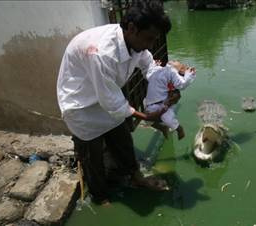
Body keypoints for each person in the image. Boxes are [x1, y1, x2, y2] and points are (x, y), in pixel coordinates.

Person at [56, 0, 171, 205]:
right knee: (93, 156)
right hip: (81, 105)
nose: (150, 45)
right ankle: (99, 196)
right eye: (149, 39)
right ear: (132, 28)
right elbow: (111, 101)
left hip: (105, 96)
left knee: (123, 140)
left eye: (154, 40)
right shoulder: (101, 52)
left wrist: (168, 83)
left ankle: (136, 178)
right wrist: (145, 116)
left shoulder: (136, 42)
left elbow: (149, 66)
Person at [144, 60, 196, 139]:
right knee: (148, 120)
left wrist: (154, 65)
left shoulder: (158, 70)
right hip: (153, 103)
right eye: (181, 67)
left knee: (168, 119)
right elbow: (182, 84)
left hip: (161, 103)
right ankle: (164, 128)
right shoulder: (172, 71)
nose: (182, 69)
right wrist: (190, 74)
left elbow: (148, 74)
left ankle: (179, 129)